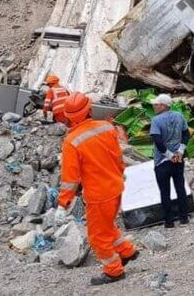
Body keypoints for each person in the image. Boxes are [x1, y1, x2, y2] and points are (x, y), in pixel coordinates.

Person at [55, 92, 139, 285]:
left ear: (68, 116)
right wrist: (120, 172)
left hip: (98, 195)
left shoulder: (72, 142)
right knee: (108, 226)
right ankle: (127, 251)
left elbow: (70, 178)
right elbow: (118, 156)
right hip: (116, 186)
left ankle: (113, 271)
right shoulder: (106, 127)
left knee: (96, 237)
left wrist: (62, 204)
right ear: (90, 110)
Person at [150, 94, 190, 228]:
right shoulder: (179, 116)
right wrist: (180, 151)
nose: (154, 106)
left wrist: (169, 155)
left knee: (164, 191)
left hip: (162, 161)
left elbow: (157, 140)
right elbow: (186, 134)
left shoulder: (156, 120)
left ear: (163, 106)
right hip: (178, 159)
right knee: (180, 188)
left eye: (156, 104)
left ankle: (169, 221)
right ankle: (184, 218)